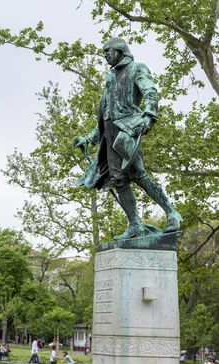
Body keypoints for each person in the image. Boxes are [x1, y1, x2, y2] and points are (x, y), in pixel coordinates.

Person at [73, 37, 182, 240]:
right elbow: (106, 112)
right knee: (119, 180)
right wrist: (90, 138)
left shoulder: (136, 69)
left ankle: (172, 214)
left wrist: (149, 114)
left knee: (139, 175)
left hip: (127, 132)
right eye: (103, 52)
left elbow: (150, 91)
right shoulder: (111, 78)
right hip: (110, 136)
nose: (104, 55)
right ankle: (134, 225)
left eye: (108, 51)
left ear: (120, 50)